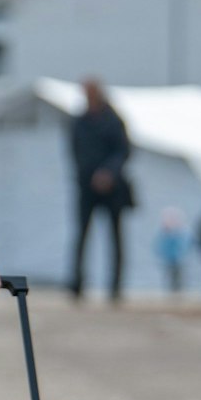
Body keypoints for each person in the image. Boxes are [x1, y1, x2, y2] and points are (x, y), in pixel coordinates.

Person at [69, 76, 134, 302]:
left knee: (115, 237)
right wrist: (84, 175)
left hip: (112, 188)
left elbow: (123, 151)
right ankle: (77, 284)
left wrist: (108, 172)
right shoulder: (79, 121)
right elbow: (74, 151)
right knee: (81, 235)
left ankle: (115, 286)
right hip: (86, 187)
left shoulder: (113, 120)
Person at [156, 207, 189, 293]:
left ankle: (178, 291)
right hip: (168, 258)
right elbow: (160, 246)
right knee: (169, 276)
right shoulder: (164, 234)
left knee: (179, 276)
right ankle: (171, 291)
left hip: (178, 258)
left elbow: (184, 245)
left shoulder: (180, 233)